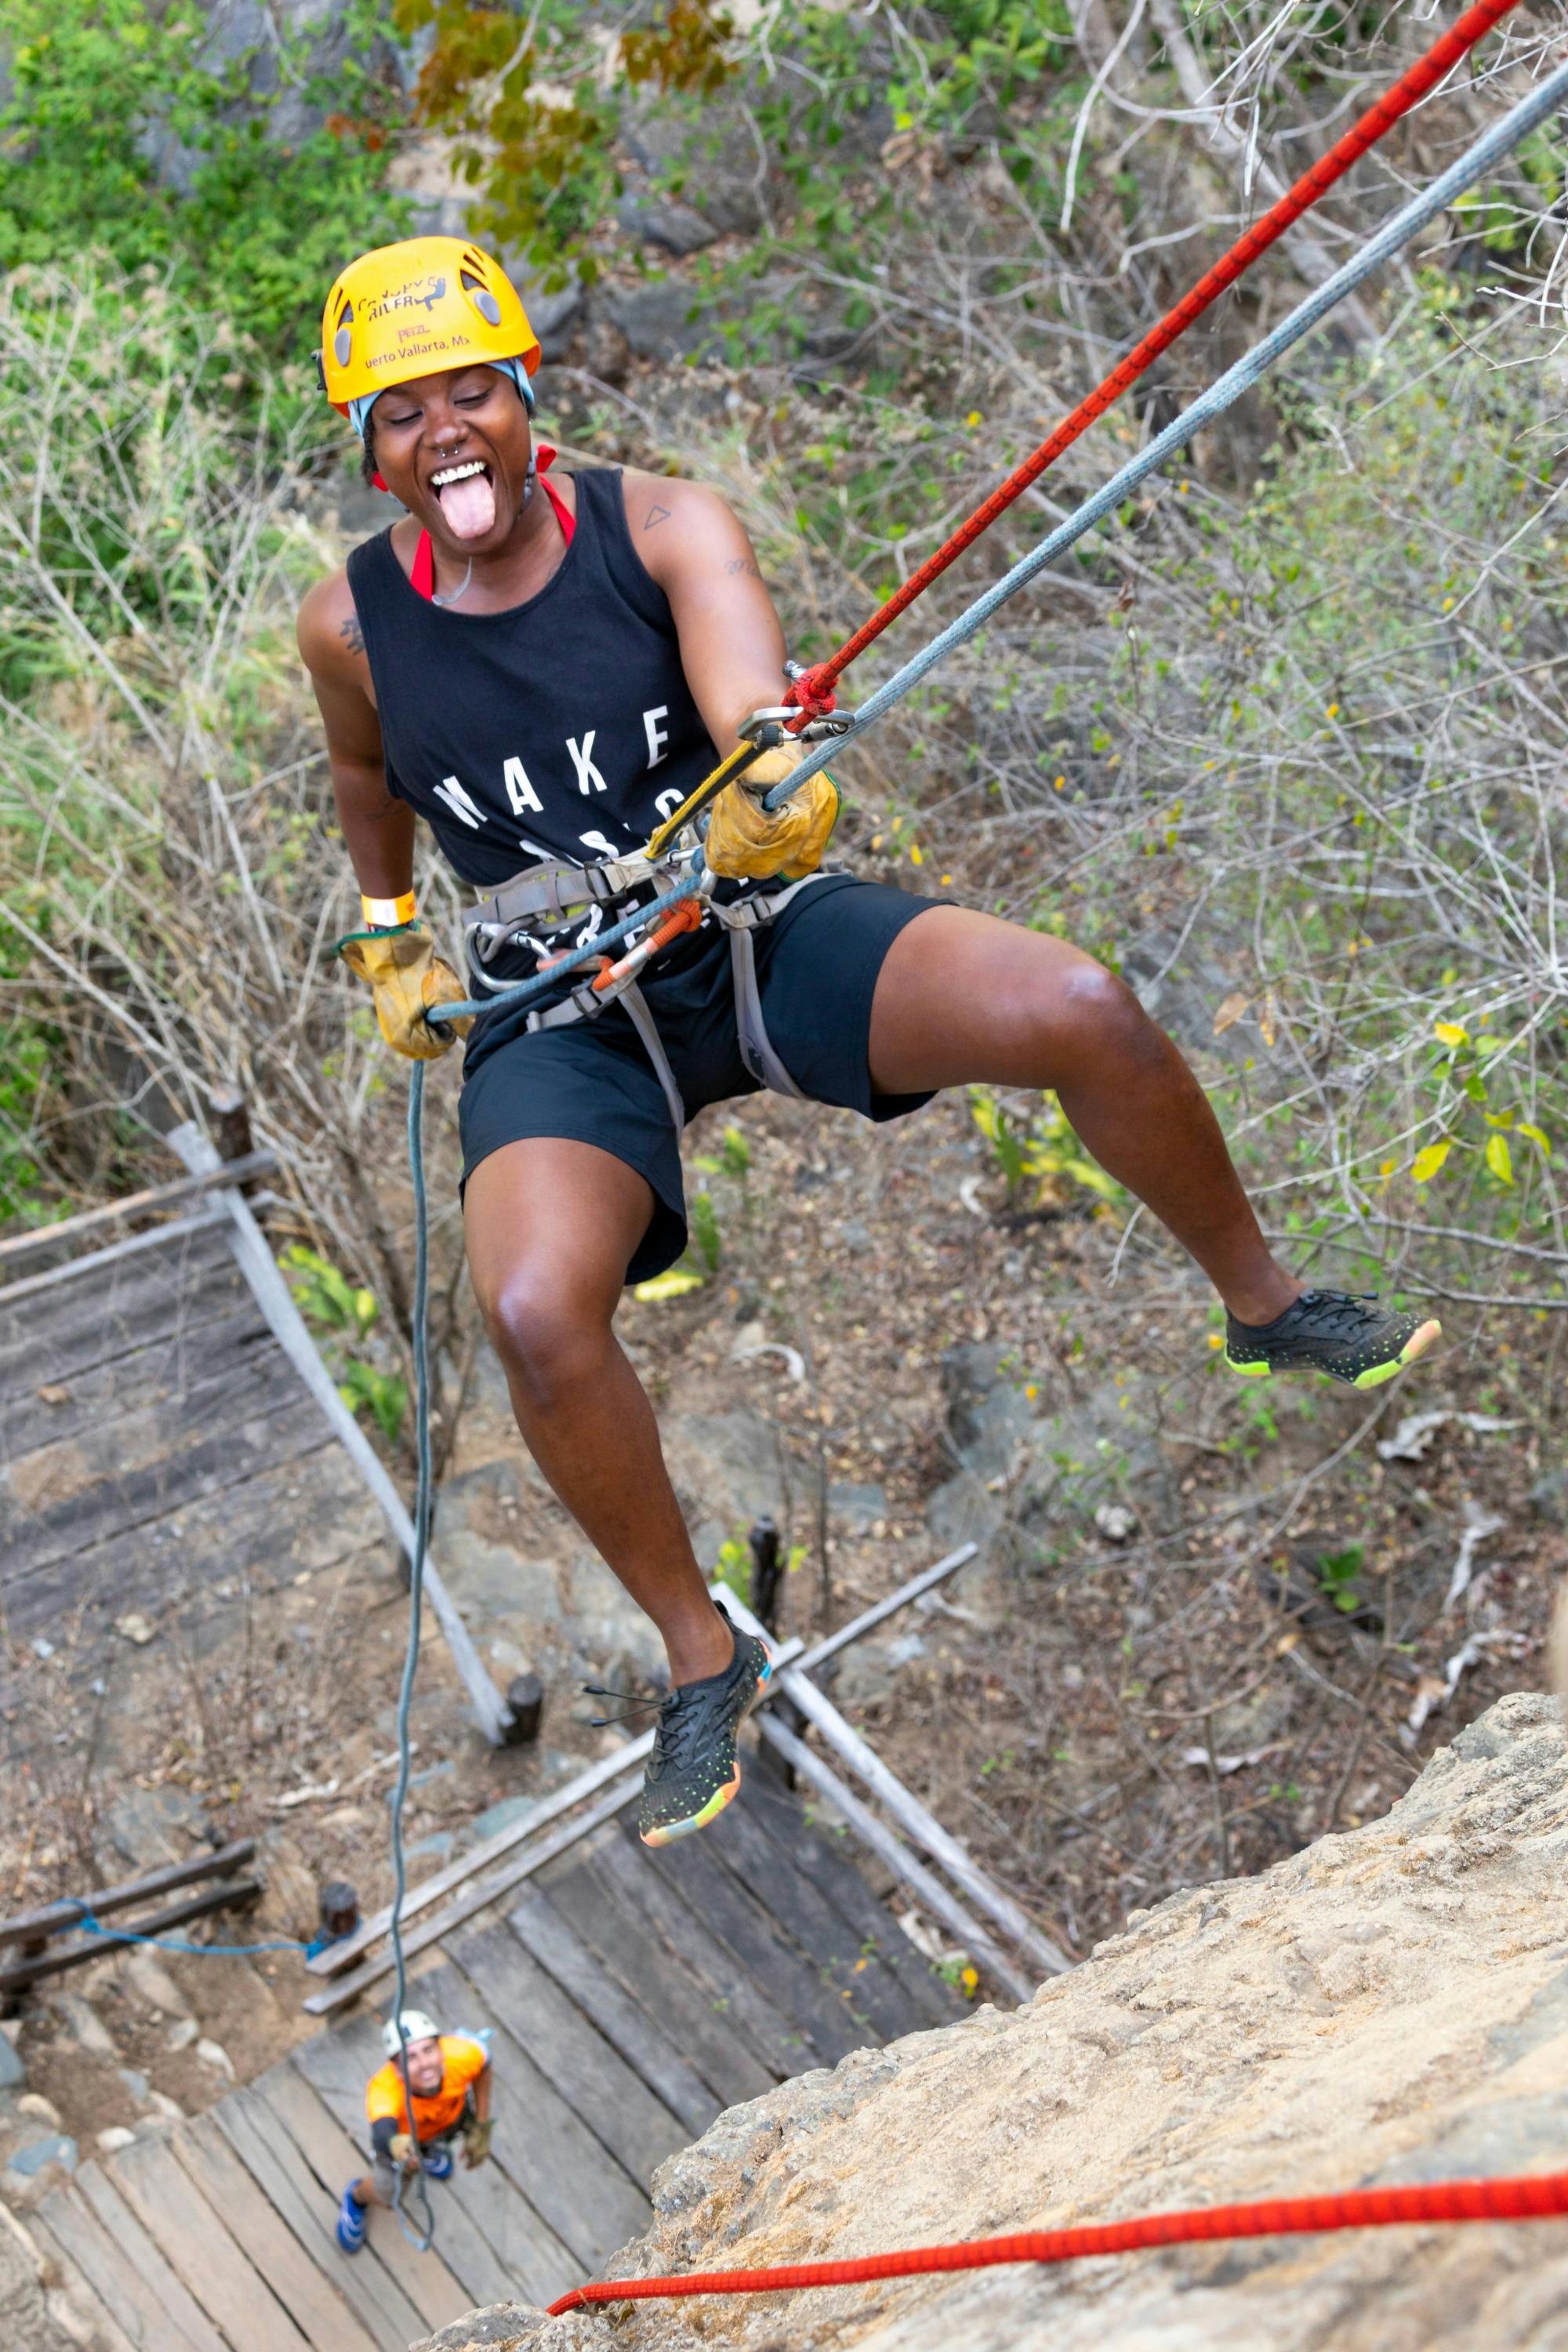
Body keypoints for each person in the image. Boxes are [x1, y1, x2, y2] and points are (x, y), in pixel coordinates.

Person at [298, 238, 1439, 1853]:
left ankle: (1266, 1306)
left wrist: (765, 771)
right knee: (534, 1308)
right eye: (401, 414)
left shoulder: (663, 526)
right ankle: (707, 1660)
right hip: (563, 1003)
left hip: (744, 932)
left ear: (525, 396)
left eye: (471, 391)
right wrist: (384, 926)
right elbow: (366, 777)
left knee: (1076, 1008)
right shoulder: (349, 625)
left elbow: (740, 674)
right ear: (368, 446)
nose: (445, 436)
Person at [336, 2009, 492, 2253]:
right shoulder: (385, 2089)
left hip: (445, 2125)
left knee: (440, 2141)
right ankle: (356, 2196)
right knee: (387, 2194)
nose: (424, 2064)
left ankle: (429, 2154)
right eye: (410, 2058)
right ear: (396, 2069)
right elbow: (382, 2129)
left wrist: (482, 2124)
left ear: (441, 2049)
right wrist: (397, 2146)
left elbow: (484, 2064)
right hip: (400, 2146)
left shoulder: (463, 2055)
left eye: (428, 2050)